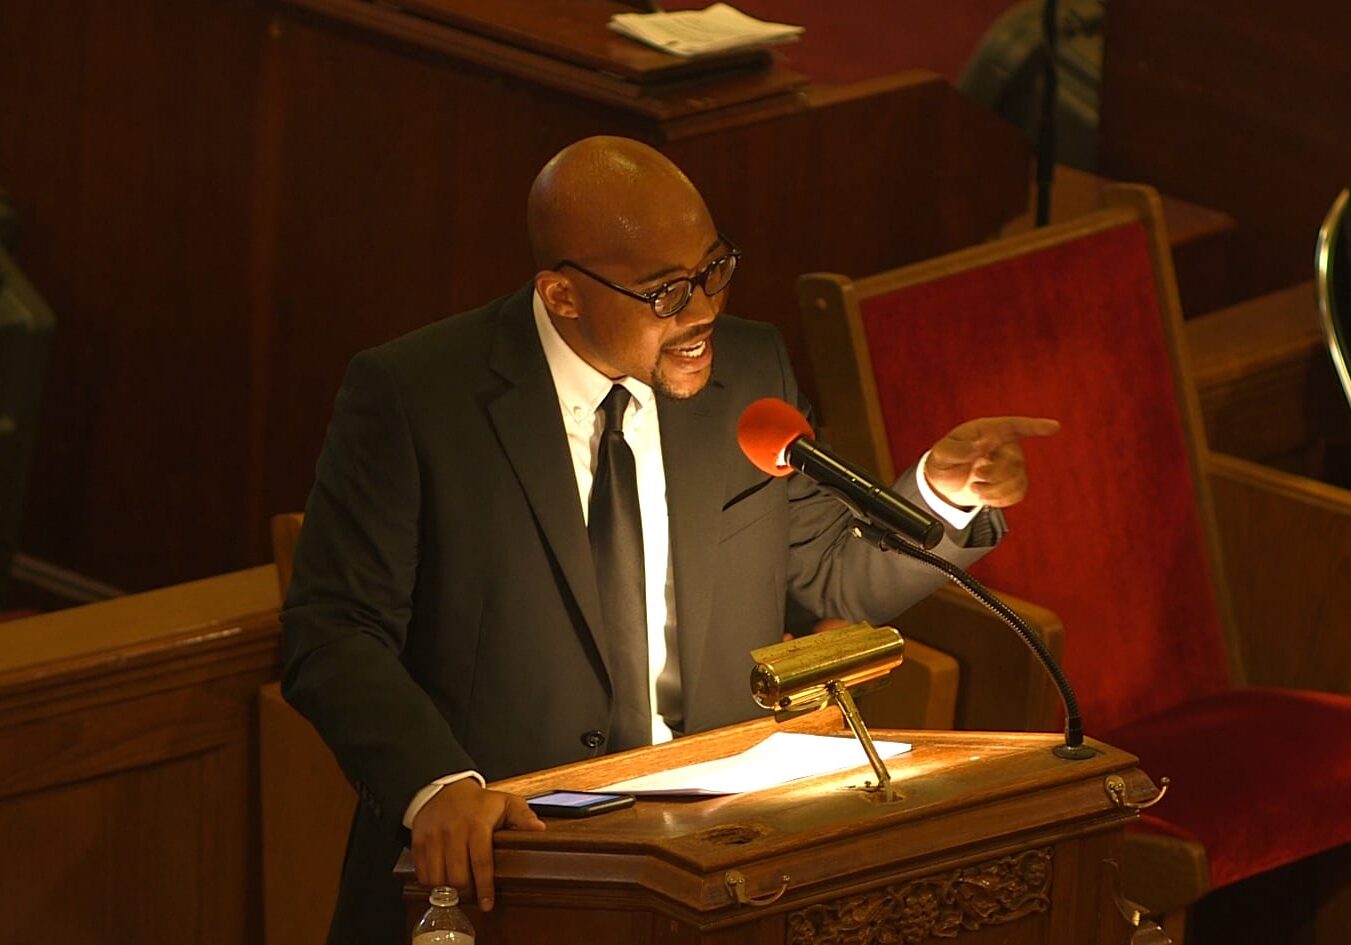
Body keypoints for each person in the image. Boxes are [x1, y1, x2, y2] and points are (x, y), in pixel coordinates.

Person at [281, 135, 1058, 944]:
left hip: (716, 858)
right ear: (562, 295)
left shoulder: (749, 370)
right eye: (663, 292)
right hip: (509, 859)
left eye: (713, 269)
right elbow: (333, 632)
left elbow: (832, 574)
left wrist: (943, 490)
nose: (700, 312)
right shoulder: (416, 397)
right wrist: (436, 784)